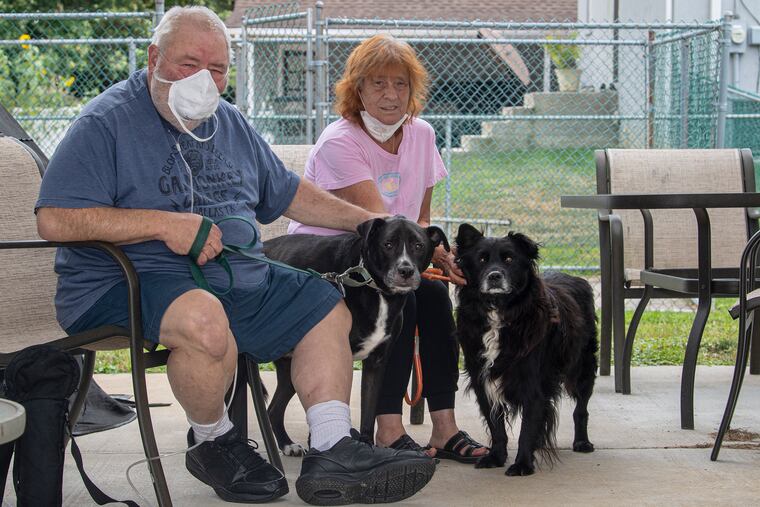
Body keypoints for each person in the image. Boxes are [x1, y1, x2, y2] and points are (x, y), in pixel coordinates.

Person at [35, 7, 434, 506]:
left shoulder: (229, 122)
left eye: (218, 69)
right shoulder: (105, 122)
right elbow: (55, 219)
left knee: (326, 304)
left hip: (236, 279)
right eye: (188, 64)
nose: (204, 81)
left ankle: (333, 448)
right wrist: (163, 224)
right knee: (204, 318)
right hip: (128, 282)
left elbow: (289, 193)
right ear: (154, 58)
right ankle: (215, 443)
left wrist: (370, 223)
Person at [288, 34, 488, 463]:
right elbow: (378, 223)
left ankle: (445, 427)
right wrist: (422, 257)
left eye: (401, 84)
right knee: (407, 295)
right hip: (330, 265)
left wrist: (441, 256)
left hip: (392, 257)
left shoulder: (423, 135)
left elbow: (420, 219)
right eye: (378, 83)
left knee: (435, 296)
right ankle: (389, 428)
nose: (391, 95)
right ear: (357, 89)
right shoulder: (340, 141)